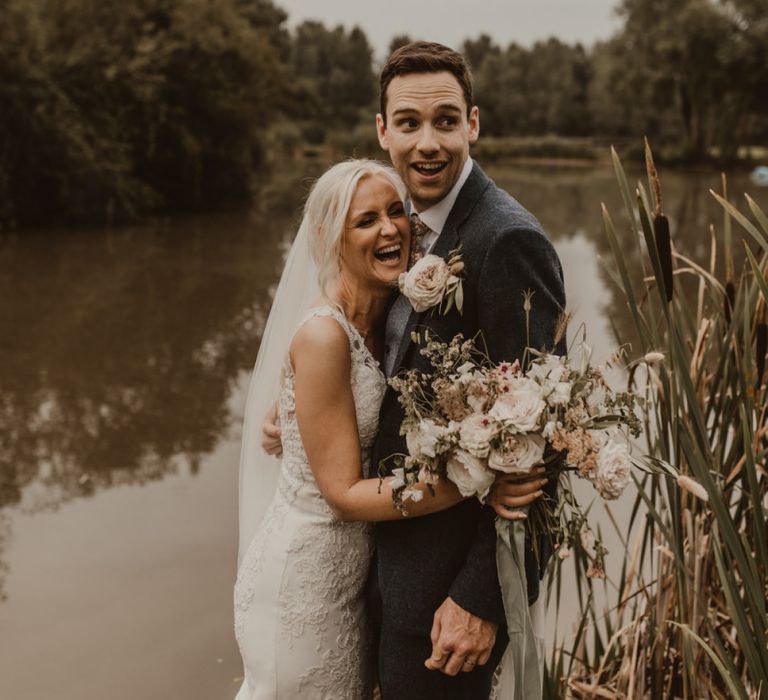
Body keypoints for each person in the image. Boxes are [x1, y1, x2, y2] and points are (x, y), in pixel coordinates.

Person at [261, 42, 566, 698]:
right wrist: (297, 402)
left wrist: (482, 598)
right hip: (372, 572)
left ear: (473, 124)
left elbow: (544, 435)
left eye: (446, 121)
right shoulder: (402, 230)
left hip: (445, 602)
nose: (428, 143)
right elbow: (371, 346)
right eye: (408, 123)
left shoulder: (505, 240)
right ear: (383, 131)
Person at [234, 159, 532, 700]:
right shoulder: (325, 336)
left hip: (355, 581)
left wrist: (290, 407)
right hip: (305, 580)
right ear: (329, 237)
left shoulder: (393, 307)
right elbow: (344, 495)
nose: (390, 228)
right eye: (366, 220)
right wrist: (475, 479)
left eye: (397, 212)